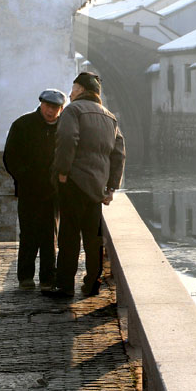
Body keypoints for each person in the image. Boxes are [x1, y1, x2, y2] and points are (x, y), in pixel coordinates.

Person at [53, 72, 125, 297]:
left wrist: (63, 171)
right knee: (94, 240)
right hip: (96, 188)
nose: (71, 92)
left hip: (74, 183)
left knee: (69, 237)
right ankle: (92, 283)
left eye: (73, 88)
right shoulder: (110, 117)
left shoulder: (73, 110)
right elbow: (119, 154)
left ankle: (65, 286)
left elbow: (67, 140)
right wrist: (111, 187)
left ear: (82, 90)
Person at [3, 88, 67, 291]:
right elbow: (10, 157)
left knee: (50, 235)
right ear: (41, 104)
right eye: (48, 106)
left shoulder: (64, 128)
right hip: (29, 189)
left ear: (61, 108)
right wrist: (24, 177)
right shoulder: (23, 125)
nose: (51, 111)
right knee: (28, 233)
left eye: (55, 108)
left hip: (52, 191)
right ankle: (25, 278)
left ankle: (48, 278)